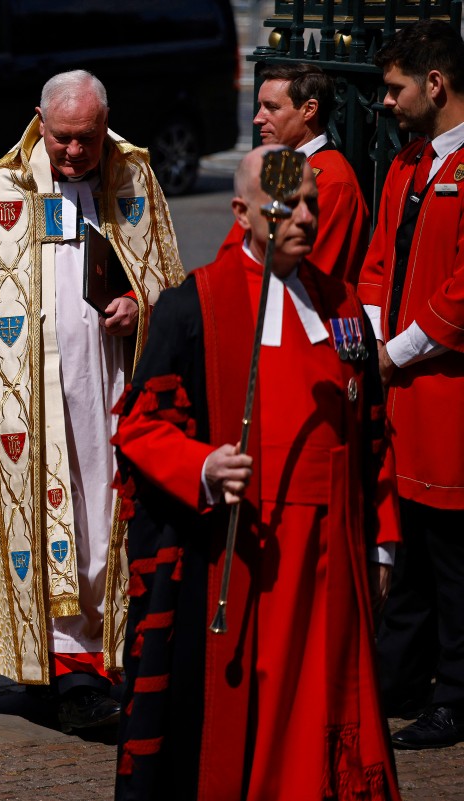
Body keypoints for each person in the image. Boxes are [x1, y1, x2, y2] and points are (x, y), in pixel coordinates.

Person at [112, 145, 400, 800]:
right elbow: (139, 427)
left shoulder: (342, 305)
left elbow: (373, 432)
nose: (305, 218)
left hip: (334, 556)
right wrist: (203, 465)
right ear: (242, 212)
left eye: (311, 204)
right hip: (244, 554)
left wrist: (382, 538)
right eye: (285, 206)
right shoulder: (194, 306)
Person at [0, 70, 184, 734]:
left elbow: (166, 282)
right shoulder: (6, 185)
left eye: (86, 138)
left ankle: (110, 651)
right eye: (62, 138)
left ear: (105, 123)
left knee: (102, 516)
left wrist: (139, 306)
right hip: (32, 399)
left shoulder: (133, 177)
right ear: (40, 120)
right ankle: (65, 666)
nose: (73, 152)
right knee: (49, 521)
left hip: (113, 381)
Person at [360, 18, 464, 749]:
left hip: (445, 390)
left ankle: (454, 697)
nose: (387, 101)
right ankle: (396, 679)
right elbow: (378, 263)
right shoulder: (407, 163)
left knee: (453, 558)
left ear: (435, 83)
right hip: (400, 385)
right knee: (413, 547)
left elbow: (460, 293)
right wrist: (370, 345)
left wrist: (393, 353)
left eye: (396, 88)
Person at [217, 63, 370, 283]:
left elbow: (308, 275)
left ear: (309, 109)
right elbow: (234, 247)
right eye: (260, 107)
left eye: (271, 107)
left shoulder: (333, 181)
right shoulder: (283, 166)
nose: (258, 118)